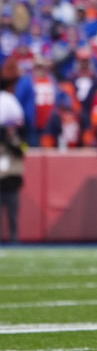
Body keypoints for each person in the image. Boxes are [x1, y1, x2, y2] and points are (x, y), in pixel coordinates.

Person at [0, 79, 24, 244]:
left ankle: (14, 238)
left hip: (12, 180)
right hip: (1, 179)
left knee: (13, 213)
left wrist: (11, 140)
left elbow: (22, 151)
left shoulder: (17, 139)